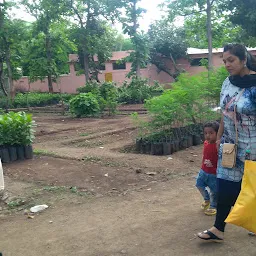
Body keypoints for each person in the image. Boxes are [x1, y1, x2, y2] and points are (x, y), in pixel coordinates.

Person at [197, 43, 256, 242]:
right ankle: (218, 229)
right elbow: (225, 111)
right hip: (230, 146)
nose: (227, 65)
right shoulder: (227, 82)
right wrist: (220, 136)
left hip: (253, 147)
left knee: (251, 188)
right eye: (224, 61)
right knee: (224, 186)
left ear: (244, 59)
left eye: (231, 60)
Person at [196, 121, 219, 216]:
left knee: (214, 191)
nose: (208, 135)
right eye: (205, 133)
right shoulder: (205, 143)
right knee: (199, 184)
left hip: (213, 173)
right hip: (203, 170)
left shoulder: (219, 146)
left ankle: (213, 206)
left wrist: (214, 167)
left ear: (218, 133)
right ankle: (207, 199)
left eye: (211, 133)